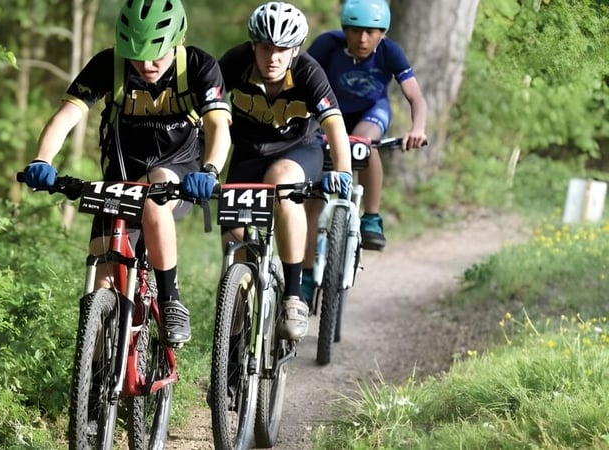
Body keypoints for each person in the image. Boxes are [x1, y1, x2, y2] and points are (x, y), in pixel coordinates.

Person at [21, 0, 232, 346]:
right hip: (120, 183)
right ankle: (100, 377)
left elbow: (218, 125)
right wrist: (42, 160)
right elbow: (66, 117)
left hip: (179, 176)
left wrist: (210, 170)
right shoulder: (110, 64)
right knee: (103, 280)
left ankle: (170, 298)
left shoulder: (198, 66)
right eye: (138, 55)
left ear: (177, 41)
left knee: (156, 188)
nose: (147, 64)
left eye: (157, 55)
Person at [218, 1, 352, 340]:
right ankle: (233, 332)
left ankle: (294, 295)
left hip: (298, 152)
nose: (272, 57)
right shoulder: (235, 63)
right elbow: (205, 109)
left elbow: (334, 124)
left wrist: (344, 171)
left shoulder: (308, 72)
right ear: (254, 46)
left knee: (281, 185)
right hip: (248, 153)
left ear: (295, 51)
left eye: (282, 49)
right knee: (235, 240)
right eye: (265, 48)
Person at [301, 0, 428, 300]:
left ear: (382, 32)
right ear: (344, 29)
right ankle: (304, 275)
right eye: (356, 31)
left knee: (362, 145)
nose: (363, 39)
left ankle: (371, 216)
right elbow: (300, 80)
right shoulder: (327, 45)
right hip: (328, 114)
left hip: (371, 112)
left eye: (372, 32)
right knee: (312, 203)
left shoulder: (390, 51)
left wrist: (418, 128)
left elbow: (415, 97)